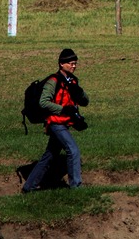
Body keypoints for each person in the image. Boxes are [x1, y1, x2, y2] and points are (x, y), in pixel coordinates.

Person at [21, 48, 90, 192]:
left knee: (50, 155)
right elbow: (43, 102)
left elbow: (85, 101)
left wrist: (80, 93)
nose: (74, 66)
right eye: (71, 63)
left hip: (64, 122)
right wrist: (63, 109)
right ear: (61, 64)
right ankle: (76, 187)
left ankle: (29, 186)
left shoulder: (72, 81)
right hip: (55, 123)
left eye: (75, 63)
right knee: (73, 150)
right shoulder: (53, 81)